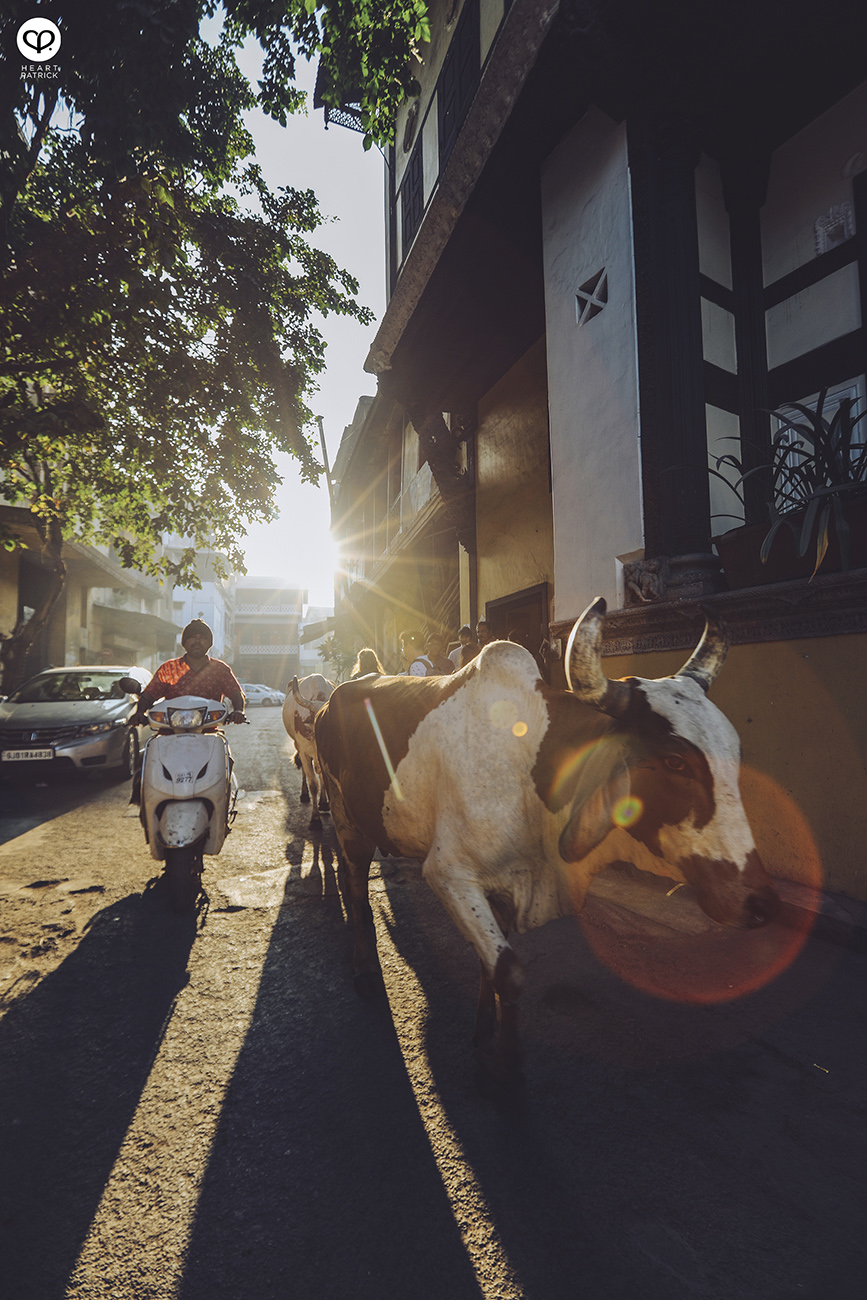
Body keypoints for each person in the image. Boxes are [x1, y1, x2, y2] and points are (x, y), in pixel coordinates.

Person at [132, 619, 246, 724]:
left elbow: (235, 692)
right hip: (170, 731)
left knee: (221, 745)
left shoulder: (220, 669)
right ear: (184, 643)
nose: (197, 641)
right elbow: (150, 694)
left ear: (209, 644)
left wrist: (239, 711)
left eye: (202, 638)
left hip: (208, 731)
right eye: (192, 637)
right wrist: (140, 712)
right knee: (153, 745)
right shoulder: (168, 669)